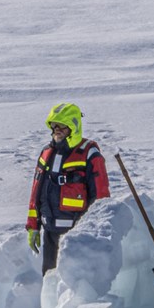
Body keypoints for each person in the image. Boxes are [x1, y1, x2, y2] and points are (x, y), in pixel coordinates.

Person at [25, 102, 111, 275]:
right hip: (50, 234)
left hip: (75, 238)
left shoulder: (89, 153)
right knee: (50, 285)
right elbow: (36, 192)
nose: (57, 129)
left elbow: (101, 198)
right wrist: (33, 226)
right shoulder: (46, 153)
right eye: (54, 125)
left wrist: (93, 234)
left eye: (62, 125)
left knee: (72, 288)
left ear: (74, 126)